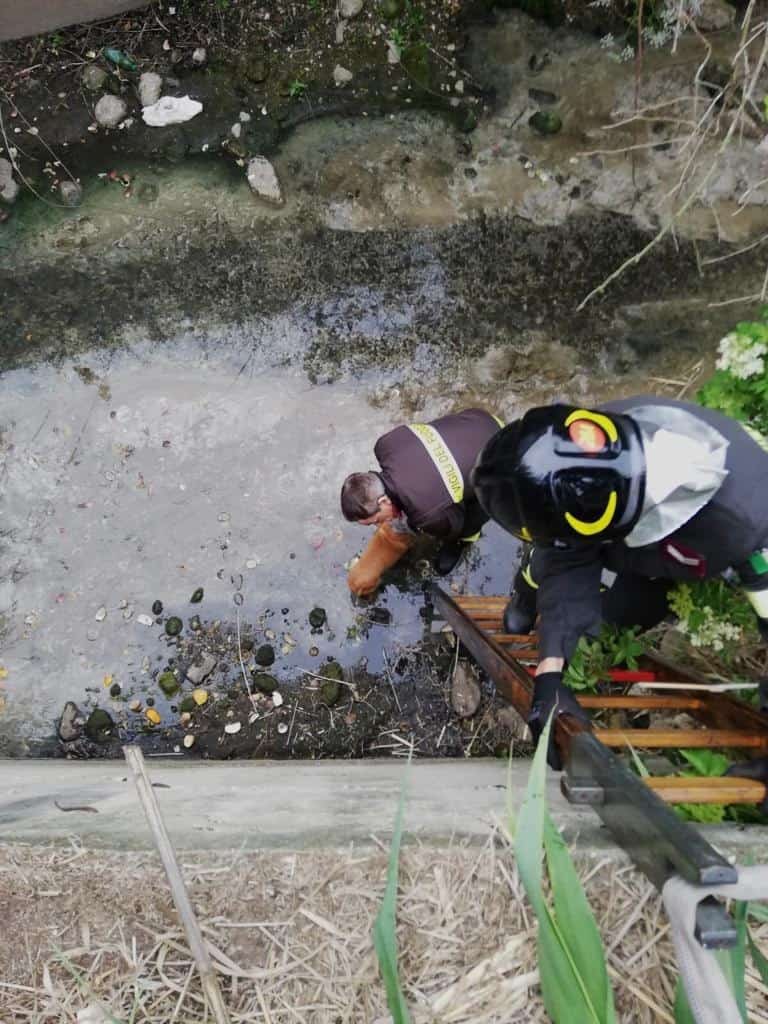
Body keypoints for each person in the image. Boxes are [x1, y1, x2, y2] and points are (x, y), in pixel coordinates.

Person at [471, 395, 768, 768]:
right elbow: (568, 558)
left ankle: (605, 632)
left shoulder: (747, 523)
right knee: (549, 566)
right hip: (632, 539)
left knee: (625, 614)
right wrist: (550, 672)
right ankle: (526, 600)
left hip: (681, 555)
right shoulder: (598, 436)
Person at [341, 408, 502, 597]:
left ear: (383, 500)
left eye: (375, 520)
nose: (378, 524)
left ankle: (460, 544)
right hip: (480, 419)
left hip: (502, 459)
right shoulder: (385, 445)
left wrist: (425, 524)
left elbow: (456, 522)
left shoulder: (428, 515)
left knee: (470, 517)